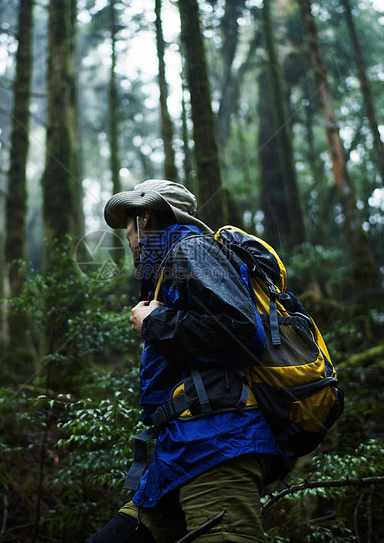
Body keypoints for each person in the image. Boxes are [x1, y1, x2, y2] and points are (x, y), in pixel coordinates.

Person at [87, 180, 281, 543]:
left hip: (218, 445)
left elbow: (241, 332)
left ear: (144, 217)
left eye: (128, 224)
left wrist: (153, 323)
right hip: (180, 450)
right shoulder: (169, 265)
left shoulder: (190, 249)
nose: (127, 237)